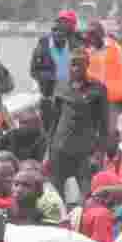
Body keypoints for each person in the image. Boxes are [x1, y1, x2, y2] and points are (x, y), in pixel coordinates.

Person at [47, 48, 110, 200]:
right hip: (60, 147)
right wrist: (48, 152)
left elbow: (103, 124)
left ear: (87, 65)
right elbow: (53, 120)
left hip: (84, 150)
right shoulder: (60, 87)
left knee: (87, 193)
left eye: (80, 64)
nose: (75, 68)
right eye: (73, 64)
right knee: (57, 193)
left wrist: (99, 153)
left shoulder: (98, 88)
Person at [30, 9, 82, 136]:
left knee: (70, 133)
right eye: (61, 22)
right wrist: (51, 78)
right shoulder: (43, 44)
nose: (63, 26)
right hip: (50, 99)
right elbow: (34, 71)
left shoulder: (77, 43)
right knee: (50, 134)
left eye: (67, 23)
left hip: (71, 99)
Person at [85, 20, 122, 134]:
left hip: (113, 99)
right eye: (89, 34)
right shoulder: (88, 52)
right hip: (95, 99)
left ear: (101, 33)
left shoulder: (115, 48)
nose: (91, 36)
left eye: (93, 33)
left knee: (112, 133)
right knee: (97, 133)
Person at [72, 170, 122, 242]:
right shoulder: (102, 214)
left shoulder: (84, 208)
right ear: (108, 194)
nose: (117, 200)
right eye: (117, 195)